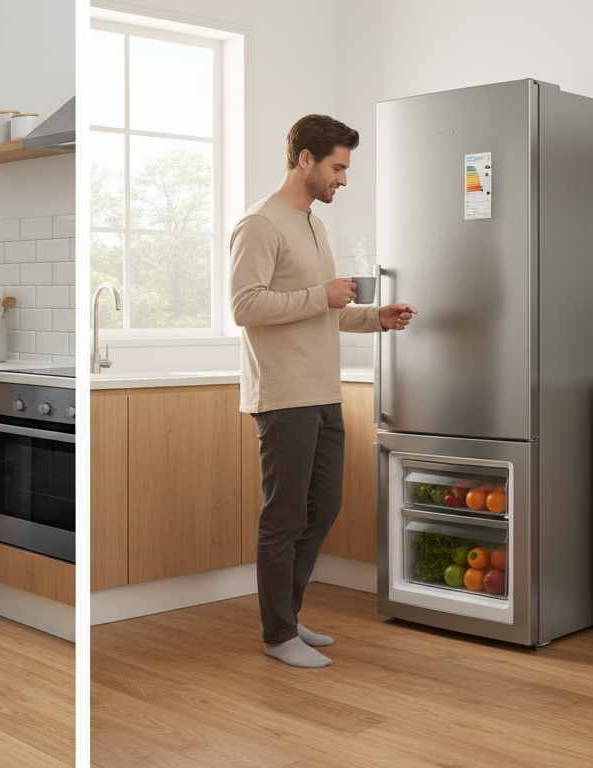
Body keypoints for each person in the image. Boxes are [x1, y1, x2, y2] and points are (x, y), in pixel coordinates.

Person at [230, 114, 418, 669]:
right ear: (306, 159)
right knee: (283, 516)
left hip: (322, 392)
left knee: (324, 506)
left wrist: (374, 316)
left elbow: (324, 311)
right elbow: (245, 307)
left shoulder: (313, 224)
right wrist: (321, 295)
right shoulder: (260, 224)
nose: (343, 178)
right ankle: (276, 633)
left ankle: (287, 616)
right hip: (283, 395)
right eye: (338, 167)